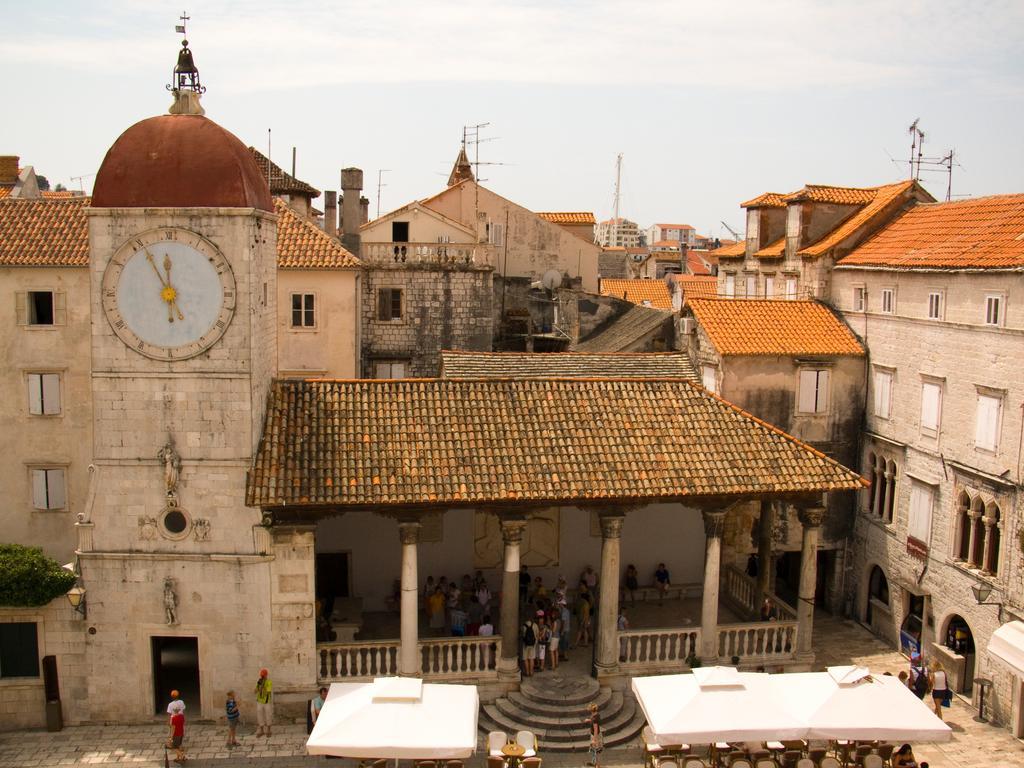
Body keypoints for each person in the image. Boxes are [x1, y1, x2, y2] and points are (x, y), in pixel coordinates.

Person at [254, 668, 273, 737]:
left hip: (267, 701)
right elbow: (255, 691)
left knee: (268, 715)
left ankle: (268, 730)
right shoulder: (259, 682)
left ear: (266, 675)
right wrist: (258, 686)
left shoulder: (269, 682)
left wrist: (262, 687)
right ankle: (261, 730)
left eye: (263, 675)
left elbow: (268, 691)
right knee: (260, 715)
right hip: (259, 701)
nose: (262, 677)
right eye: (261, 675)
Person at [575, 581, 593, 647]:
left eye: (581, 585)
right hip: (581, 612)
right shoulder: (579, 593)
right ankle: (585, 641)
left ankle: (585, 641)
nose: (580, 586)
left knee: (584, 628)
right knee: (583, 628)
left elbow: (592, 602)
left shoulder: (588, 593)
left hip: (586, 612)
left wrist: (588, 609)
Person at [586, 702, 603, 767]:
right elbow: (594, 721)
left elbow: (595, 729)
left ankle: (597, 765)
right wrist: (589, 720)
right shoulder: (597, 715)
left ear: (591, 710)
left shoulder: (594, 718)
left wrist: (594, 740)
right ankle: (594, 763)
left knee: (596, 750)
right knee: (594, 750)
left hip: (596, 736)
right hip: (597, 735)